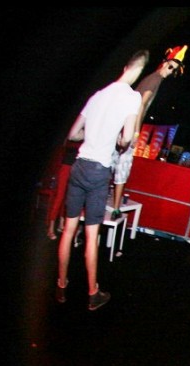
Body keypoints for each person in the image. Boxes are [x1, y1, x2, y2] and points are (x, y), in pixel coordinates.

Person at [55, 50, 148, 310]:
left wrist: (90, 136)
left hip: (79, 166)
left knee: (68, 230)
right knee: (91, 234)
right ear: (138, 71)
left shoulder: (97, 95)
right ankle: (93, 293)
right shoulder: (132, 97)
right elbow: (127, 138)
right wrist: (119, 140)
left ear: (125, 66)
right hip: (98, 171)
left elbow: (73, 134)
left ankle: (61, 285)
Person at [108, 45, 187, 218]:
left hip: (122, 125)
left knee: (113, 163)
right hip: (128, 127)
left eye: (174, 70)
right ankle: (115, 207)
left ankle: (107, 198)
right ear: (164, 63)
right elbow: (141, 104)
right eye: (170, 66)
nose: (171, 71)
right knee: (123, 166)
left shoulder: (152, 78)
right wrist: (136, 132)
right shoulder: (155, 79)